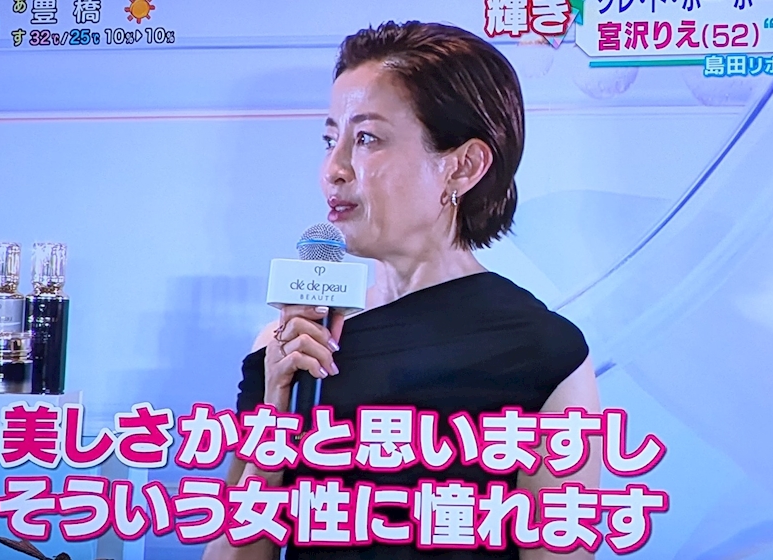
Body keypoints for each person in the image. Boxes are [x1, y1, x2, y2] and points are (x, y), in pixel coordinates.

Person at [204, 20, 601, 560]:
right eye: (330, 140)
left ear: (463, 166)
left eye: (366, 138)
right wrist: (275, 420)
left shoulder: (544, 352)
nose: (333, 170)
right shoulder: (289, 345)